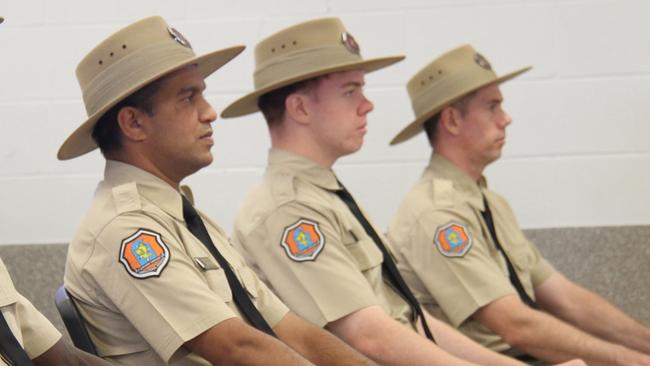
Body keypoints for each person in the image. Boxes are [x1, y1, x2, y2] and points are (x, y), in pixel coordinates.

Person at [222, 18, 582, 366]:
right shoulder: (286, 209)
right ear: (299, 108)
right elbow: (370, 337)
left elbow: (411, 320)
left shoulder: (325, 196)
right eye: (351, 91)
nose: (368, 104)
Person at [60, 16, 377, 366]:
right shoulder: (125, 229)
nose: (209, 113)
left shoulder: (185, 219)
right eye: (187, 98)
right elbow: (236, 347)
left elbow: (288, 328)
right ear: (134, 123)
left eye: (203, 96)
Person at [387, 44, 650, 366]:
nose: (506, 119)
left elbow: (568, 300)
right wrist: (629, 360)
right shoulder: (435, 214)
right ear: (452, 120)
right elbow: (516, 327)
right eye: (492, 107)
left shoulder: (489, 203)